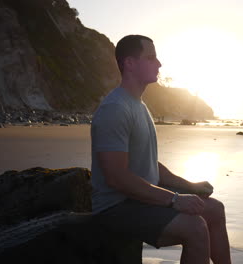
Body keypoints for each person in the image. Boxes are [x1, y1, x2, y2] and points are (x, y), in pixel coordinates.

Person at [90, 35, 231, 264]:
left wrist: (189, 187)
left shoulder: (139, 106)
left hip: (140, 198)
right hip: (116, 207)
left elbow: (149, 164)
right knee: (195, 227)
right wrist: (175, 199)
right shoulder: (115, 109)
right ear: (130, 63)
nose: (159, 64)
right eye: (151, 57)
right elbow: (116, 178)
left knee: (214, 209)